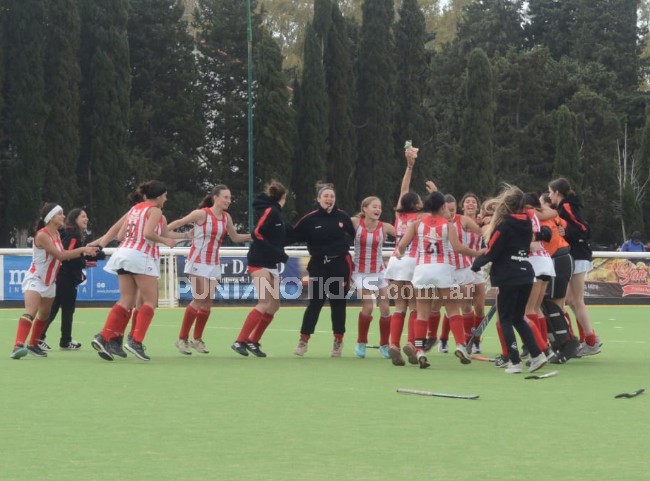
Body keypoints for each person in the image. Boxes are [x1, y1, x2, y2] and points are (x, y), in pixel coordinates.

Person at [91, 181, 183, 361]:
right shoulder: (155, 210)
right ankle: (136, 341)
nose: (166, 198)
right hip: (141, 256)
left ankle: (104, 336)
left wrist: (188, 236)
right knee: (150, 301)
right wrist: (165, 241)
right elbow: (149, 234)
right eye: (165, 195)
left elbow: (120, 236)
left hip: (123, 253)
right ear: (157, 196)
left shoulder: (135, 210)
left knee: (126, 299)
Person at [397, 192, 483, 369]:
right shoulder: (448, 225)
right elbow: (458, 247)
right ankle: (460, 346)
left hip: (422, 270)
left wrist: (402, 254)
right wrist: (477, 253)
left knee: (422, 312)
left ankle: (420, 350)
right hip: (443, 269)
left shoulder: (417, 224)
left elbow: (402, 245)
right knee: (453, 309)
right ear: (443, 207)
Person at [471, 186, 548, 374]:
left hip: (508, 275)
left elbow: (493, 250)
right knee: (518, 318)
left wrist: (475, 265)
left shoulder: (505, 224)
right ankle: (537, 355)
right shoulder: (527, 222)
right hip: (526, 273)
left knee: (505, 319)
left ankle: (514, 361)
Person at [168, 184, 251, 355]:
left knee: (207, 302)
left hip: (213, 263)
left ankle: (197, 339)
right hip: (197, 261)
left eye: (230, 198)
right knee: (199, 299)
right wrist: (161, 232)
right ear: (215, 197)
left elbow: (235, 237)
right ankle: (182, 339)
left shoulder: (226, 217)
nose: (229, 200)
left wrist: (255, 235)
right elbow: (179, 222)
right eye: (225, 197)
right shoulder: (202, 214)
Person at [10, 203, 98, 359]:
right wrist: (83, 250)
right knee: (31, 312)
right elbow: (61, 256)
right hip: (36, 278)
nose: (64, 216)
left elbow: (64, 253)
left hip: (50, 281)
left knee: (44, 316)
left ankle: (33, 345)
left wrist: (83, 253)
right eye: (60, 214)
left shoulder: (57, 233)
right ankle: (18, 346)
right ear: (51, 218)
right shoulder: (42, 235)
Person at [289, 183, 355, 357]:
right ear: (318, 199)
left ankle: (338, 341)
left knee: (338, 304)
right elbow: (293, 235)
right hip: (319, 266)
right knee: (315, 303)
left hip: (339, 265)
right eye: (325, 196)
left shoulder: (343, 217)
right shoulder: (310, 219)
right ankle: (303, 340)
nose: (329, 199)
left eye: (332, 196)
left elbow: (356, 236)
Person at [231, 181, 289, 357]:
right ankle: (239, 341)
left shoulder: (278, 213)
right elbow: (257, 233)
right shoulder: (271, 211)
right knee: (264, 302)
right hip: (258, 261)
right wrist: (276, 251)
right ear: (283, 197)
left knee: (274, 305)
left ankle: (253, 341)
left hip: (271, 264)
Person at [548, 177, 601, 357]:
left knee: (577, 301)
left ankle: (591, 341)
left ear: (557, 192)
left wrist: (567, 231)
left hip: (577, 254)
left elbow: (584, 229)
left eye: (550, 192)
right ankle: (582, 339)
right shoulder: (565, 206)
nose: (549, 196)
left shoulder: (567, 206)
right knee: (571, 301)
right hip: (575, 254)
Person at [40, 208, 106, 351]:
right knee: (65, 309)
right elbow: (68, 256)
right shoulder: (73, 235)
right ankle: (61, 340)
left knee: (55, 308)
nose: (86, 219)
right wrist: (90, 257)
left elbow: (73, 254)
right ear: (75, 218)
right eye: (83, 216)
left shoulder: (70, 233)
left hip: (63, 276)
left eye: (87, 216)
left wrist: (87, 256)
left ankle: (41, 337)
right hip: (66, 277)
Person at [351, 196, 396, 359]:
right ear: (365, 209)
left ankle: (384, 345)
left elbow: (405, 233)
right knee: (368, 306)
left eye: (380, 207)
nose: (378, 210)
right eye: (374, 206)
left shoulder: (384, 227)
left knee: (385, 308)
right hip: (360, 272)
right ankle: (361, 342)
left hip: (378, 272)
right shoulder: (355, 223)